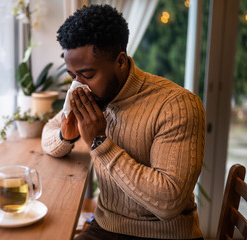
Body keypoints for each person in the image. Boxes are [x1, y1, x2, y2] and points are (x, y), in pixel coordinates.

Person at [41, 4, 205, 240]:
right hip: (105, 227)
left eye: (87, 75)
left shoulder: (177, 105)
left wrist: (99, 142)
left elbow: (169, 202)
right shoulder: (91, 96)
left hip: (166, 235)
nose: (78, 85)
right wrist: (65, 136)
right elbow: (49, 132)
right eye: (72, 75)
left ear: (120, 62)